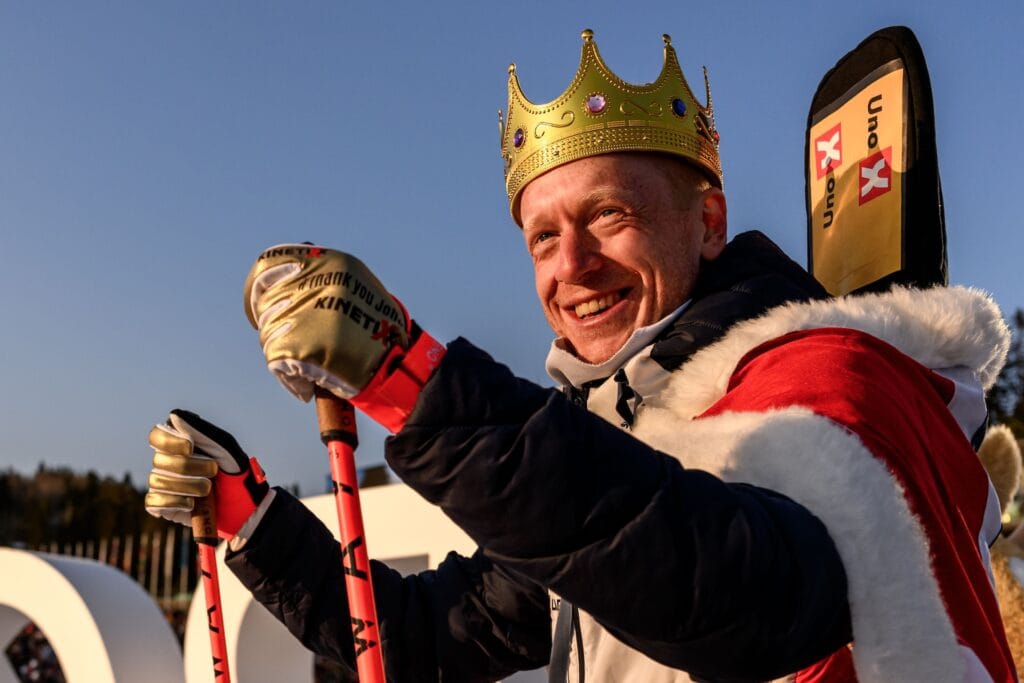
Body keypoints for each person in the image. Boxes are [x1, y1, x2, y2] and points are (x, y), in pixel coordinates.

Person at [144, 30, 1016, 681]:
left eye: (609, 215)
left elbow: (741, 593)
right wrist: (251, 521)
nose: (571, 266)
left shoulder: (818, 382)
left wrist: (414, 382)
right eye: (542, 237)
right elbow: (425, 636)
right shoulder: (607, 436)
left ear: (707, 222)